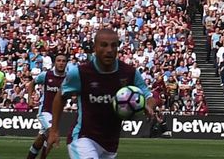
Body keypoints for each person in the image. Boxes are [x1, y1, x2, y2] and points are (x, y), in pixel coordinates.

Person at [43, 27, 159, 159]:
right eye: (104, 45)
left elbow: (149, 97)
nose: (109, 50)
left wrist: (148, 106)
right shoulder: (80, 73)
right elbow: (61, 96)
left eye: (113, 45)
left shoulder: (129, 73)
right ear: (95, 47)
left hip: (110, 144)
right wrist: (54, 130)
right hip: (83, 138)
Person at [24, 52, 67, 159]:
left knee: (41, 138)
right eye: (58, 60)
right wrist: (30, 99)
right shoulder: (47, 75)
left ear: (66, 63)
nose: (61, 63)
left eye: (63, 61)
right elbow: (32, 84)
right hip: (45, 111)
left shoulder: (68, 78)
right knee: (52, 133)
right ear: (54, 63)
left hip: (56, 114)